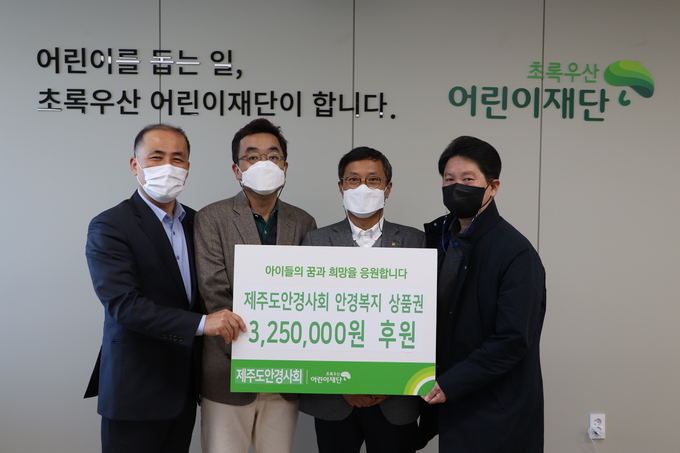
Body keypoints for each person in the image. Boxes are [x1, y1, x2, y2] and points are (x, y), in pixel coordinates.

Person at [84, 124, 246, 453]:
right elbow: (124, 305)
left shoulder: (198, 222)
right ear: (135, 165)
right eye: (156, 157)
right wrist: (203, 323)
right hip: (135, 390)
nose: (168, 167)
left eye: (177, 159)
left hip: (184, 389)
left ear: (188, 167)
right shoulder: (110, 225)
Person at [195, 118, 317, 453]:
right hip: (227, 369)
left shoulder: (304, 221)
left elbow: (311, 292)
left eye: (273, 156)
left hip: (285, 373)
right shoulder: (211, 218)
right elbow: (213, 290)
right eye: (252, 156)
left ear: (285, 167)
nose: (264, 163)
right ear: (237, 169)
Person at [421, 136, 546, 453]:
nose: (456, 187)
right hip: (449, 403)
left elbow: (513, 338)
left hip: (495, 410)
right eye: (449, 179)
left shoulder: (516, 253)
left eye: (468, 179)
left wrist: (451, 383)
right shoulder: (438, 240)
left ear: (493, 186)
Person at [298, 146, 425, 453]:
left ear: (388, 188)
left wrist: (391, 381)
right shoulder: (316, 241)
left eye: (373, 179)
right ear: (341, 187)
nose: (363, 187)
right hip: (334, 398)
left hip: (396, 398)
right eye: (353, 180)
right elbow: (307, 317)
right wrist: (343, 383)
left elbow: (422, 321)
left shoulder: (415, 241)